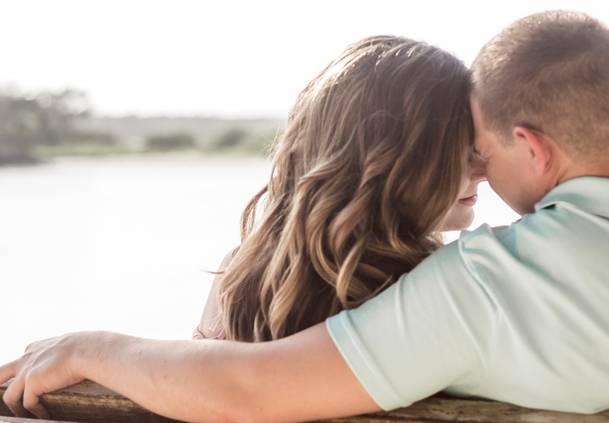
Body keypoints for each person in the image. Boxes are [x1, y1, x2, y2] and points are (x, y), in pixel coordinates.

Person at [0, 11, 609, 423]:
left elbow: (249, 390)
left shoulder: (490, 285)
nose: (477, 180)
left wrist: (92, 346)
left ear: (528, 146)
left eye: (481, 153)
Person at [191, 36, 485, 342]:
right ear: (387, 160)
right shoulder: (438, 285)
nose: (482, 170)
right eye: (456, 152)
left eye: (478, 147)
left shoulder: (240, 274)